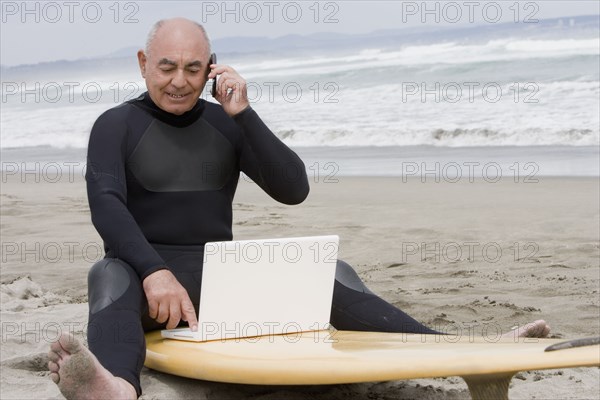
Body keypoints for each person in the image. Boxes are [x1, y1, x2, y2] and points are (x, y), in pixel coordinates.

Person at [47, 18, 550, 399]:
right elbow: (107, 206)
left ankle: (468, 356)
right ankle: (115, 389)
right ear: (142, 62)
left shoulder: (226, 123)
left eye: (194, 68)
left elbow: (293, 189)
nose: (180, 80)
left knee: (329, 272)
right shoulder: (116, 125)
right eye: (167, 67)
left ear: (212, 66)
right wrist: (154, 271)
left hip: (217, 289)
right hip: (147, 288)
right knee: (107, 273)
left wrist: (244, 114)